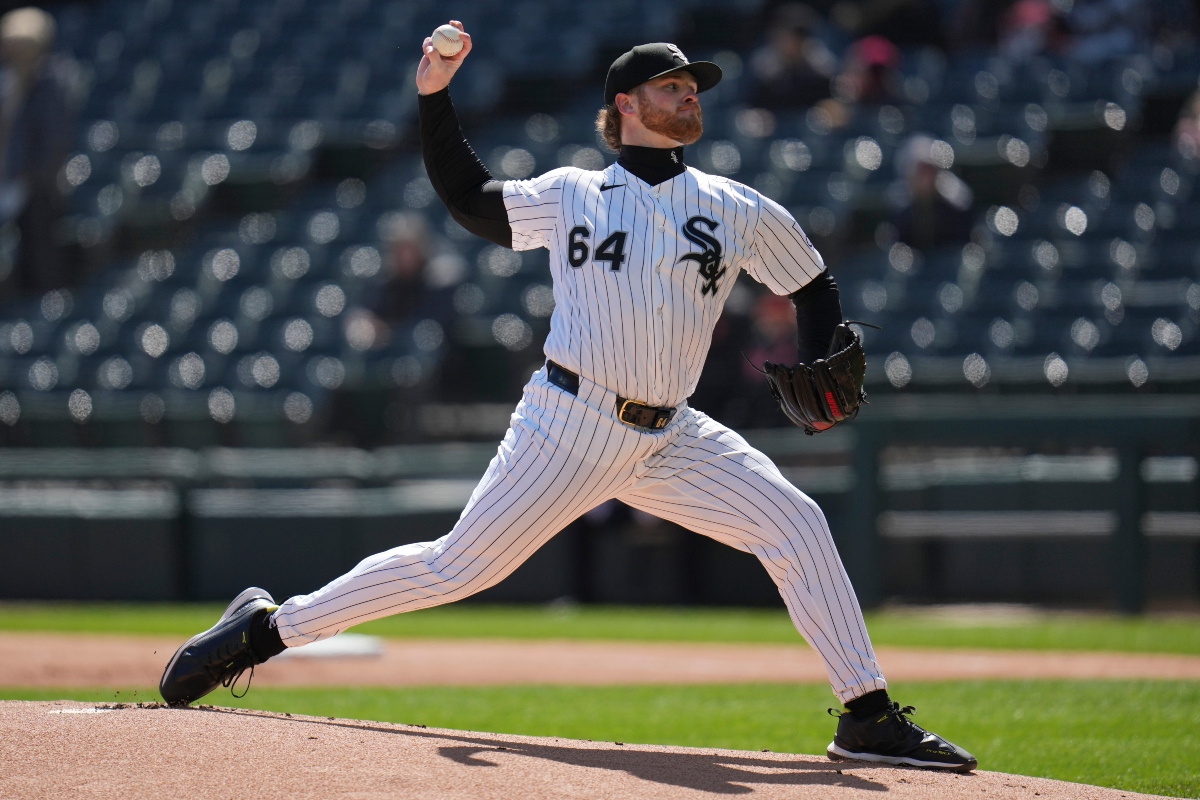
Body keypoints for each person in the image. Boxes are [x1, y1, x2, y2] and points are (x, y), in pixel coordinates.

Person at [159, 24, 977, 773]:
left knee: (796, 522)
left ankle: (866, 715)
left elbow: (812, 283)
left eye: (695, 85)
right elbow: (467, 197)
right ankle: (266, 629)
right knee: (456, 567)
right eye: (672, 85)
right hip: (569, 423)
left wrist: (819, 349)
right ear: (624, 105)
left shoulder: (734, 208)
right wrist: (435, 94)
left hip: (673, 435)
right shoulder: (573, 194)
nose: (691, 94)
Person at [0, 7, 72, 296]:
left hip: (37, 187)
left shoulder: (52, 80)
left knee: (39, 259)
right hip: (10, 181)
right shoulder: (8, 80)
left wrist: (31, 178)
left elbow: (50, 138)